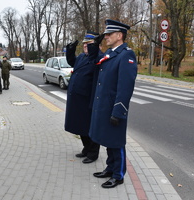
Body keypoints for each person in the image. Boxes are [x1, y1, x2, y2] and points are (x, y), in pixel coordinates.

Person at [88, 19, 137, 188]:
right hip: (104, 107)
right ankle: (110, 168)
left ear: (119, 35)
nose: (106, 36)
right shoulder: (111, 53)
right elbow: (94, 59)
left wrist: (119, 111)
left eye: (109, 34)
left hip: (114, 108)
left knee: (116, 143)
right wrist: (96, 42)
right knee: (107, 140)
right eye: (105, 34)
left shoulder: (126, 55)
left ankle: (118, 174)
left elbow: (125, 87)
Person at [64, 31, 102, 164]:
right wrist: (70, 49)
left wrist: (94, 49)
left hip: (87, 99)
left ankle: (93, 153)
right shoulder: (82, 57)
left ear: (95, 45)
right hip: (77, 99)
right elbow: (71, 62)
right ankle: (86, 149)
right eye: (85, 44)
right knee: (80, 126)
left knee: (89, 127)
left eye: (89, 44)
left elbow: (95, 62)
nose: (86, 46)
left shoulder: (97, 57)